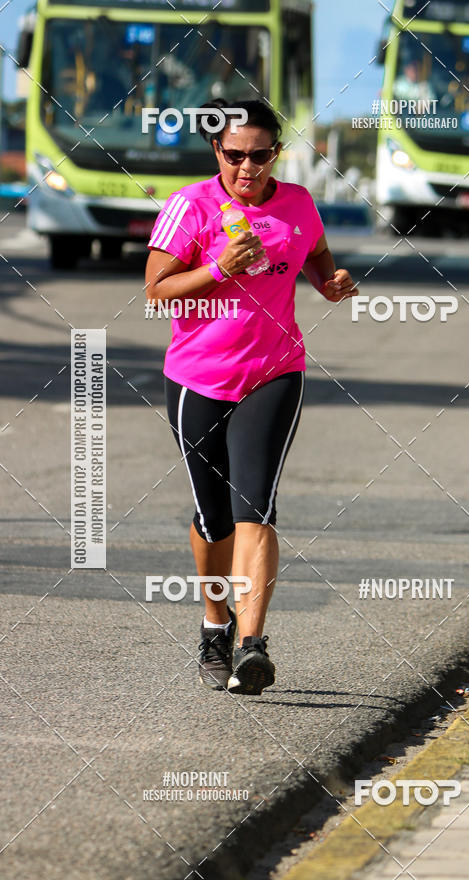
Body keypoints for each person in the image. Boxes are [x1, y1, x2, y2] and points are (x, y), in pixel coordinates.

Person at [145, 99, 358, 696]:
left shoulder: (297, 205)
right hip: (199, 381)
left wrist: (331, 283)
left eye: (259, 155)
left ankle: (252, 647)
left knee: (255, 508)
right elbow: (157, 290)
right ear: (216, 151)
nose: (246, 167)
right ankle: (216, 623)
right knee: (215, 523)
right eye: (234, 155)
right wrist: (216, 268)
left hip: (274, 373)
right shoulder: (191, 206)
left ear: (276, 154)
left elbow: (316, 258)